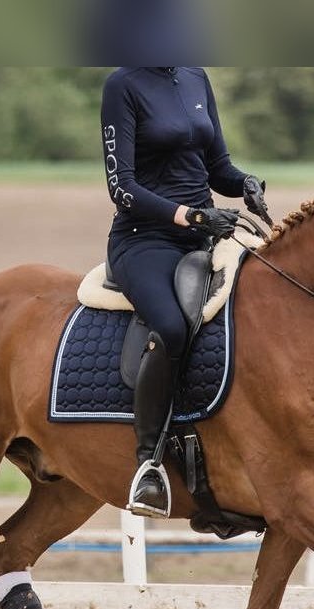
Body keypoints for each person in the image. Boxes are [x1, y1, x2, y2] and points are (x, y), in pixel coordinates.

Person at [101, 66, 270, 518]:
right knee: (173, 329)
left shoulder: (196, 78)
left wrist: (245, 183)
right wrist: (192, 218)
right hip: (145, 240)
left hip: (205, 236)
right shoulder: (123, 86)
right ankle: (149, 464)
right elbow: (122, 188)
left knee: (266, 306)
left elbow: (218, 169)